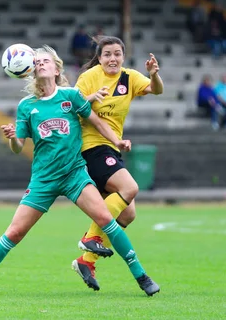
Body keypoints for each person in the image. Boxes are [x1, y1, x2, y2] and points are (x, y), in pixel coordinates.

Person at [0, 45, 160, 297]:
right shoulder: (26, 106)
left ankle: (141, 276)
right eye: (37, 62)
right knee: (14, 232)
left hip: (75, 175)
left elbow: (97, 122)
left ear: (57, 69)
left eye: (46, 60)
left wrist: (117, 142)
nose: (41, 63)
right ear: (32, 71)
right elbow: (18, 148)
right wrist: (13, 137)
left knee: (107, 221)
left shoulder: (72, 97)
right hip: (44, 179)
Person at [71, 36, 164, 291]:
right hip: (90, 147)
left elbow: (157, 90)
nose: (113, 58)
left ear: (123, 56)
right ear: (99, 58)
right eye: (107, 54)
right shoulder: (89, 76)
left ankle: (86, 260)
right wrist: (91, 96)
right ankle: (89, 239)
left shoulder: (129, 77)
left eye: (117, 54)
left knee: (128, 214)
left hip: (112, 148)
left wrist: (154, 74)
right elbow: (69, 106)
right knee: (130, 187)